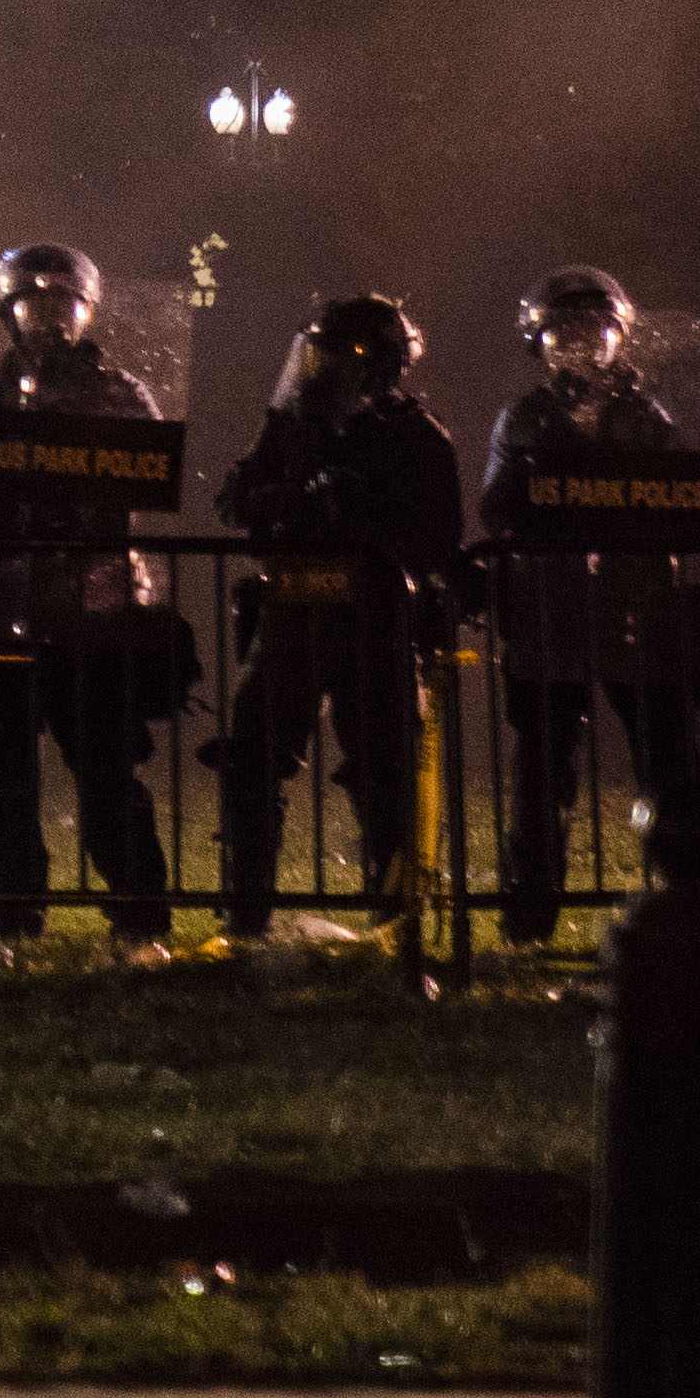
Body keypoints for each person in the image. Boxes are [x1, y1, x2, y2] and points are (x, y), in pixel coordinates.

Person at [0, 243, 179, 944]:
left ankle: (142, 916)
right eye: (34, 299)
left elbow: (155, 477)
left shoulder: (121, 391)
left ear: (85, 309)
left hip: (96, 616)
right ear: (8, 310)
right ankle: (15, 918)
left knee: (108, 774)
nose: (49, 314)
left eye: (63, 301)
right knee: (3, 779)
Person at [478, 266, 700, 947]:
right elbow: (493, 509)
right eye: (567, 333)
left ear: (619, 339)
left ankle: (689, 908)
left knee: (669, 767)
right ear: (541, 342)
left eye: (595, 333)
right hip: (550, 616)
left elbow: (685, 496)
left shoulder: (646, 414)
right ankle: (529, 920)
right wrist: (535, 475)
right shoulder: (524, 418)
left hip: (637, 610)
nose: (582, 347)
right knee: (542, 777)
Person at [209, 294, 462, 931]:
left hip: (377, 623)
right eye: (315, 353)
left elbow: (440, 537)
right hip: (292, 611)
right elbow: (233, 498)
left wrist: (367, 513)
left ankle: (392, 919)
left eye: (335, 354)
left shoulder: (416, 437)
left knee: (385, 772)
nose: (319, 368)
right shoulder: (294, 425)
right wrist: (288, 497)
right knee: (253, 761)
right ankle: (246, 915)